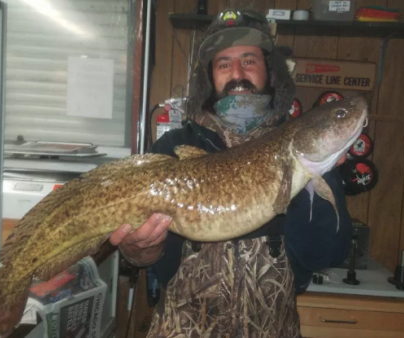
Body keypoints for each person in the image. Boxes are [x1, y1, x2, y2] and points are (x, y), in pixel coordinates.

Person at [109, 8, 352, 338]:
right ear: (210, 77)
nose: (237, 72)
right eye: (224, 63)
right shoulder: (173, 150)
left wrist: (322, 174)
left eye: (249, 60)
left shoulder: (302, 147)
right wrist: (140, 248)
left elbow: (324, 256)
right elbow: (140, 256)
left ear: (271, 71)